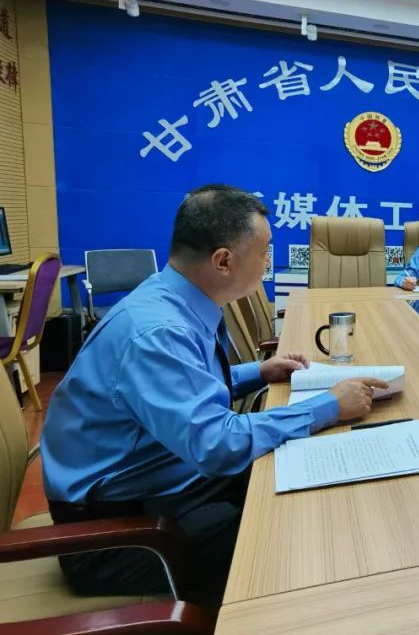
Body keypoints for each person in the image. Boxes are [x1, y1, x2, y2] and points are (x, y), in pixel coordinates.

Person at [40, 184, 386, 606]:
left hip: (160, 479)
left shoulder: (174, 299)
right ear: (223, 260)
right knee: (294, 542)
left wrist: (257, 371)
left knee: (299, 487)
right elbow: (216, 444)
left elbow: (186, 388)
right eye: (265, 252)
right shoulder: (158, 331)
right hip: (115, 534)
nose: (268, 262)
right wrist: (329, 405)